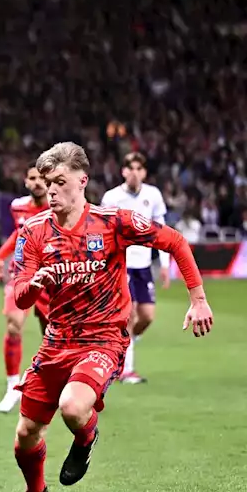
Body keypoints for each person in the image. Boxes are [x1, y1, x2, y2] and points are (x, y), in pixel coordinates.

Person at [4, 142, 213, 492]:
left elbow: (176, 241)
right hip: (56, 343)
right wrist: (35, 286)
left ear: (82, 181)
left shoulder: (113, 221)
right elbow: (19, 296)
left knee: (72, 406)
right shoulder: (33, 231)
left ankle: (85, 439)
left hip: (102, 340)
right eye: (48, 182)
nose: (51, 190)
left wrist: (198, 299)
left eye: (60, 182)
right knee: (24, 435)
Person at [100, 152, 170, 384]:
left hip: (144, 264)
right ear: (123, 171)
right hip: (121, 264)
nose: (135, 173)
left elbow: (162, 230)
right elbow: (102, 232)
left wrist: (165, 264)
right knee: (128, 316)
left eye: (139, 169)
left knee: (147, 316)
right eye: (131, 169)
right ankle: (126, 370)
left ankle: (126, 343)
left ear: (144, 172)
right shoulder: (112, 198)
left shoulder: (153, 195)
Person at [0, 166, 51, 413]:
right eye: (32, 178)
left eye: (41, 178)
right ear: (26, 182)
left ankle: (52, 385)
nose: (37, 182)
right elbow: (19, 234)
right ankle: (12, 387)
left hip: (51, 277)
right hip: (22, 275)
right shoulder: (18, 207)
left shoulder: (60, 206)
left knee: (52, 335)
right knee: (14, 325)